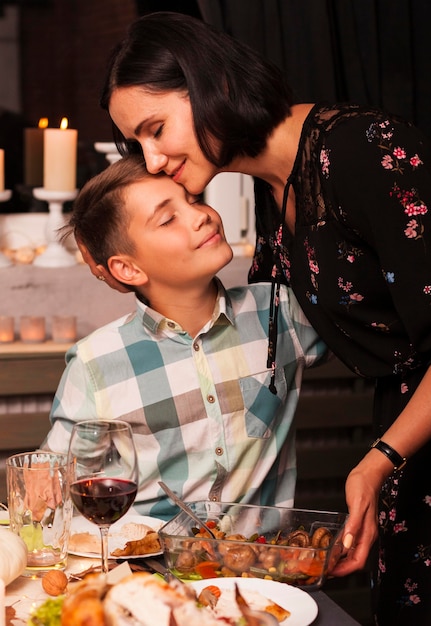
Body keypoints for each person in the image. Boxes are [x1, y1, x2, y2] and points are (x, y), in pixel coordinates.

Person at [82, 11, 431, 625]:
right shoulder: (273, 186)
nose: (151, 158)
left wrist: (379, 459)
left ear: (211, 85)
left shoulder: (361, 148)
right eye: (135, 145)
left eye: (155, 129)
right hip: (418, 439)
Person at [42, 154, 327, 521]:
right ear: (127, 268)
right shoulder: (96, 363)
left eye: (193, 200)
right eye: (168, 218)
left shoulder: (280, 313)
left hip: (260, 570)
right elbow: (52, 492)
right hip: (149, 572)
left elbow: (385, 325)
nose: (201, 215)